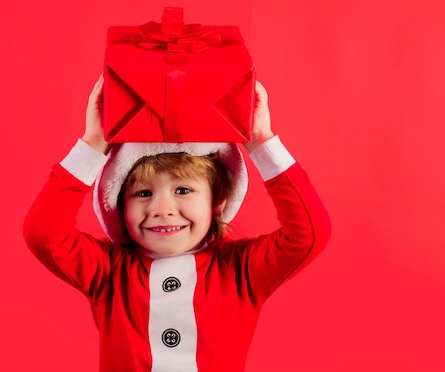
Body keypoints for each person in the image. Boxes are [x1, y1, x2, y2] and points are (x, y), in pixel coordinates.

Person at [23, 75, 331, 371]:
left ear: (218, 201)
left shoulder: (240, 270)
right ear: (119, 205)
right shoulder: (109, 271)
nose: (162, 209)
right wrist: (92, 144)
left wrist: (262, 143)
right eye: (143, 193)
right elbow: (43, 233)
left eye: (183, 190)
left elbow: (309, 234)